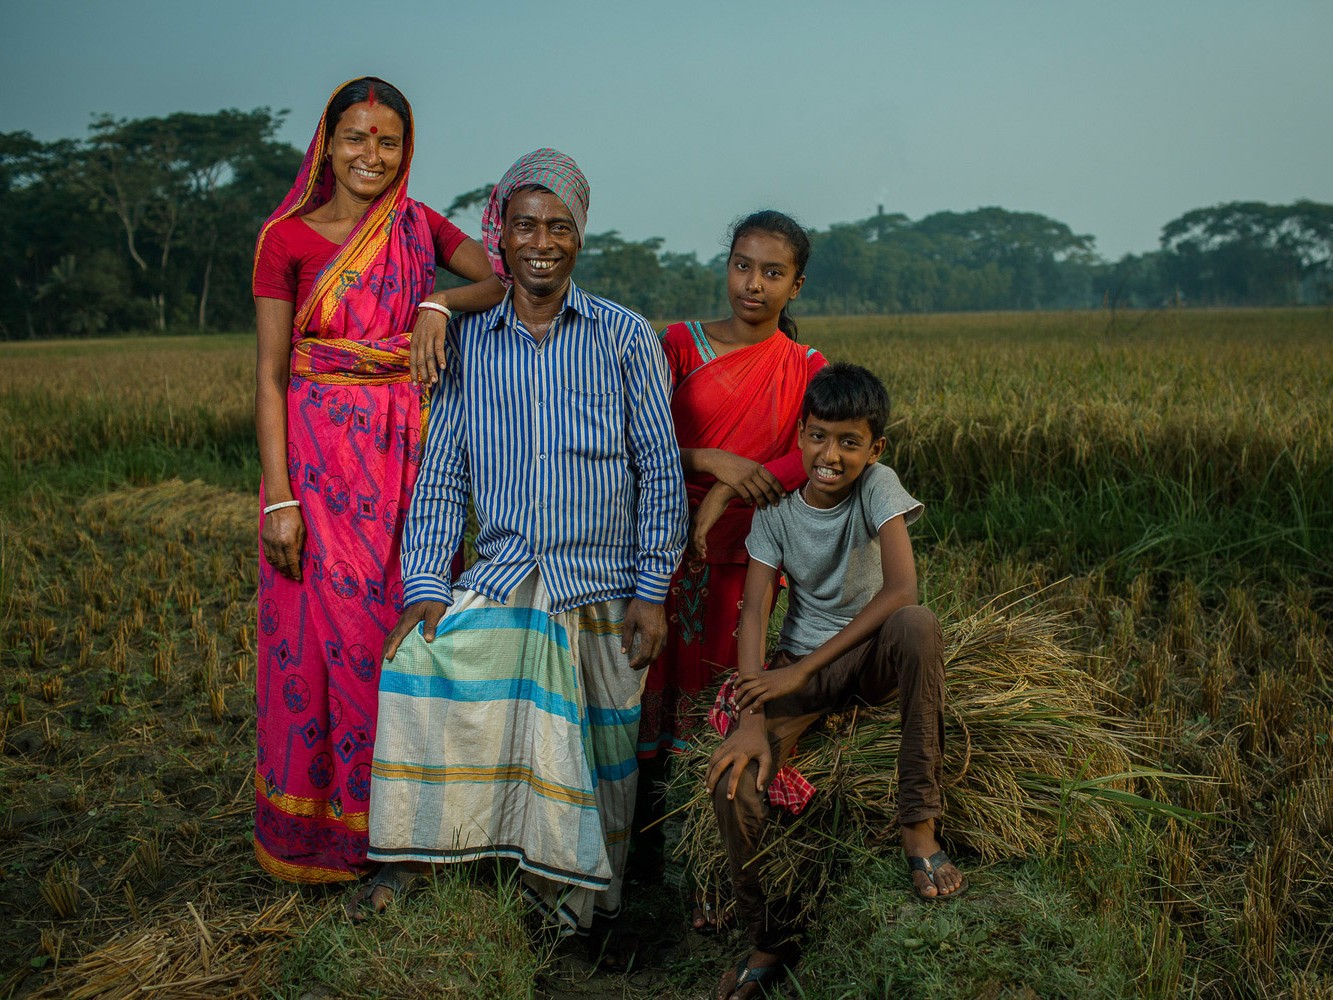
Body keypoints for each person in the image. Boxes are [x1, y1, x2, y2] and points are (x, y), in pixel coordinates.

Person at [355, 149, 689, 947]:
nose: (542, 241)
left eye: (559, 226)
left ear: (580, 237)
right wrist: (427, 585)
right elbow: (440, 478)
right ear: (498, 236)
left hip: (603, 585)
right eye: (525, 224)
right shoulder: (469, 342)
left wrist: (651, 592)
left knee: (602, 755)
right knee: (419, 668)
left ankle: (584, 916)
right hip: (507, 578)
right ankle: (434, 865)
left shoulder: (623, 337)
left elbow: (660, 471)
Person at [252, 76, 503, 883]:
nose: (371, 155)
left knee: (406, 627)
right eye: (356, 137)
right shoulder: (284, 240)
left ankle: (417, 826)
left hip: (404, 461)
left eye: (387, 141)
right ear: (326, 142)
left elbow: (497, 281)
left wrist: (438, 306)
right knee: (327, 648)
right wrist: (281, 499)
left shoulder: (418, 226)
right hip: (316, 468)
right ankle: (336, 836)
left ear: (407, 149)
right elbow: (266, 378)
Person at [706, 363, 964, 1000]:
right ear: (801, 436)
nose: (831, 454)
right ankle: (769, 936)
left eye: (850, 441)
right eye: (819, 436)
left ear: (874, 449)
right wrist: (751, 714)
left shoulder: (878, 485)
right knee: (733, 781)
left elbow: (902, 588)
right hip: (800, 668)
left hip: (867, 658)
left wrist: (802, 668)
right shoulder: (775, 517)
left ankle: (918, 824)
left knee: (919, 625)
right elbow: (756, 613)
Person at [634, 211, 825, 928]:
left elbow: (815, 454)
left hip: (747, 558)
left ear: (795, 285)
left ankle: (705, 870)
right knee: (644, 690)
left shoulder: (807, 370)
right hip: (660, 546)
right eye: (742, 265)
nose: (753, 283)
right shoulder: (677, 345)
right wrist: (709, 463)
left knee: (714, 701)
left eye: (772, 272)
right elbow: (639, 436)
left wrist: (733, 486)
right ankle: (630, 863)